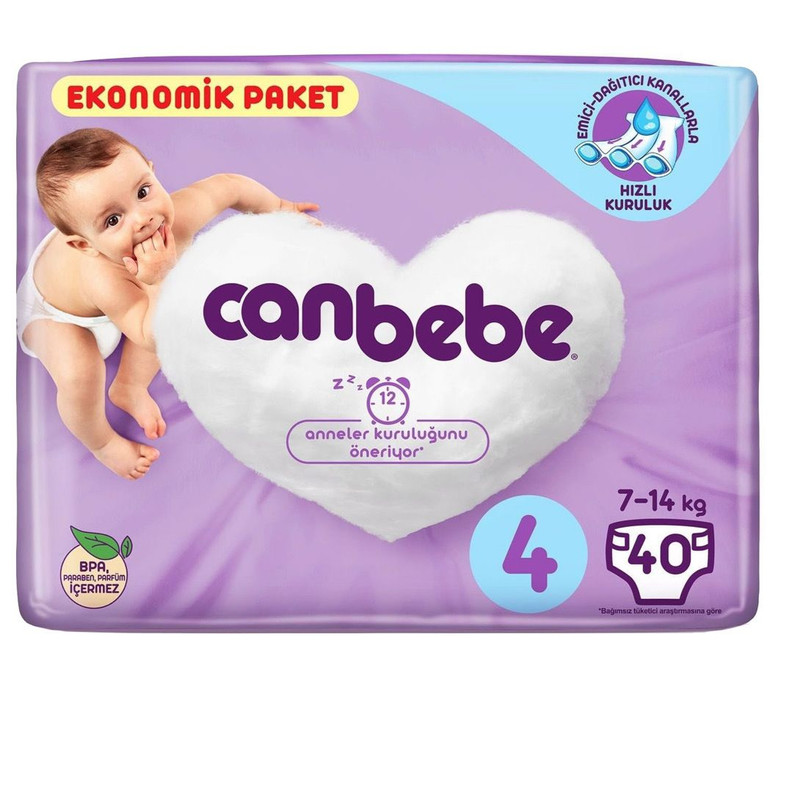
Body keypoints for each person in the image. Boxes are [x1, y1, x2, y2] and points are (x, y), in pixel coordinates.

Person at [18, 128, 319, 479]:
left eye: (143, 192)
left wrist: (280, 208)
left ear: (151, 170)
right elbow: (153, 336)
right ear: (85, 245)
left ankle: (129, 386)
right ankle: (101, 443)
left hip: (129, 301)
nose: (142, 219)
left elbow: (230, 186)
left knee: (167, 308)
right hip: (54, 314)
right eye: (113, 220)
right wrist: (159, 279)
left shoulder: (180, 214)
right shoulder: (102, 276)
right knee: (79, 374)